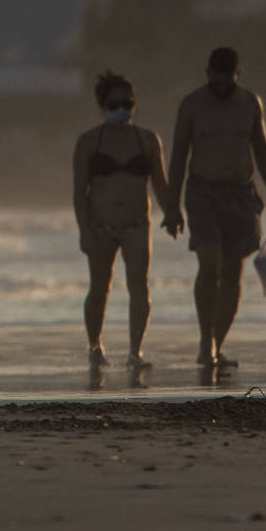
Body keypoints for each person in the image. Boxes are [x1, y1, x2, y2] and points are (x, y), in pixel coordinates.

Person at [160, 46, 266, 375]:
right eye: (216, 78)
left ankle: (216, 343)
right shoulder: (192, 105)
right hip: (202, 192)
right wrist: (171, 208)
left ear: (237, 75)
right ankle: (206, 342)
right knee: (209, 264)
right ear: (207, 74)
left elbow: (263, 153)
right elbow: (177, 158)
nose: (221, 85)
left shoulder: (250, 103)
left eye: (227, 79)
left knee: (233, 272)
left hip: (242, 194)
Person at [72, 70, 165, 375]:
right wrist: (85, 230)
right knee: (99, 288)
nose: (121, 110)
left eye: (127, 103)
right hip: (100, 225)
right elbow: (79, 192)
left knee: (139, 287)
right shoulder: (88, 142)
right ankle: (95, 346)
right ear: (103, 106)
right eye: (114, 105)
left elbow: (160, 184)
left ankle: (135, 351)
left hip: (137, 223)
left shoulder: (148, 140)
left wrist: (173, 213)